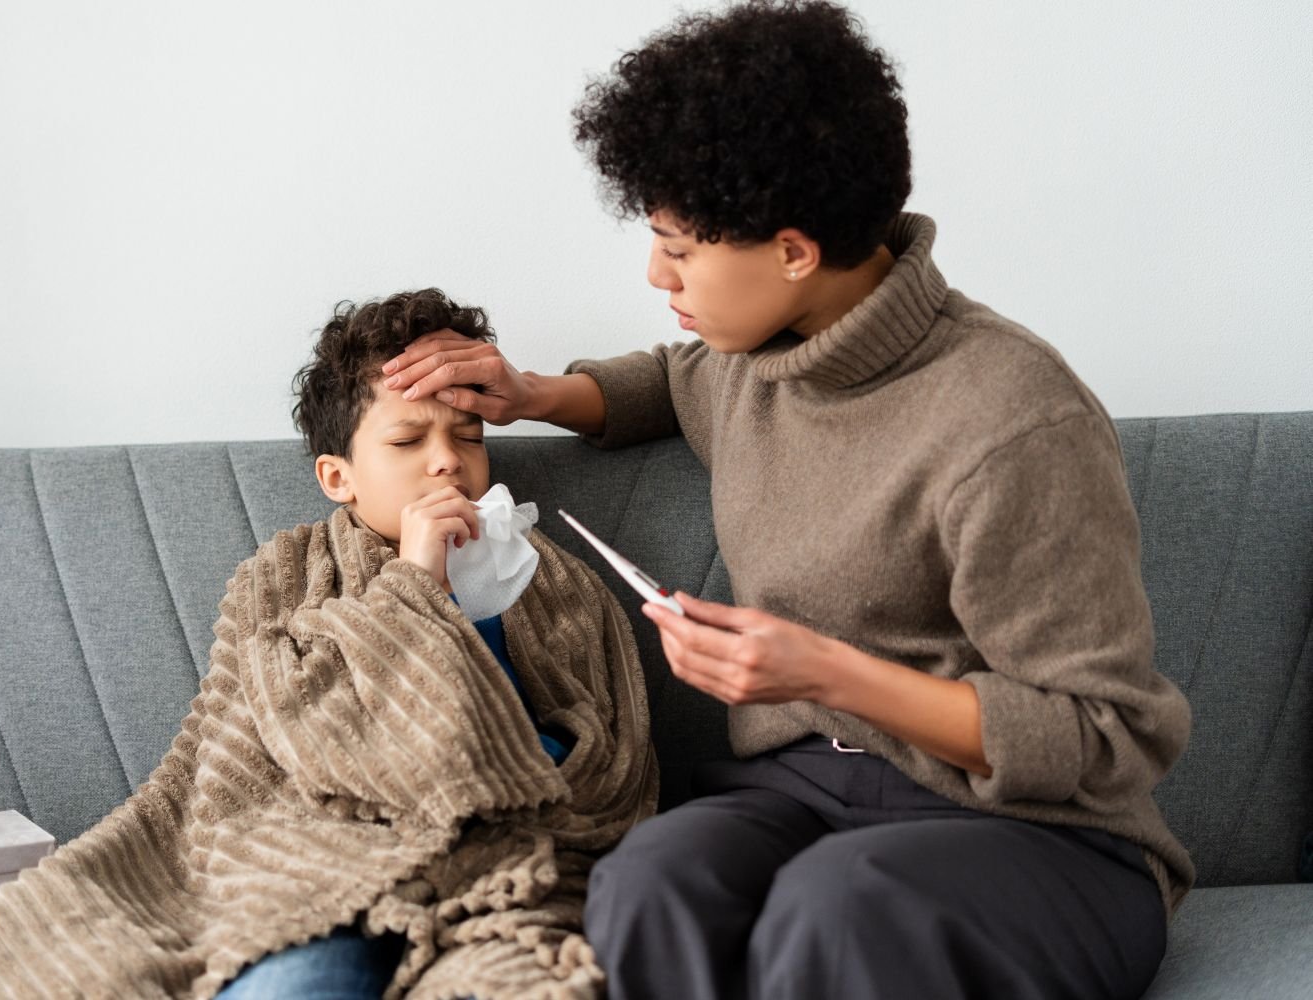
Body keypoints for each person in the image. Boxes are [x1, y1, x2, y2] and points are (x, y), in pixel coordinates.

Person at [381, 3, 1194, 999]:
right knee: (648, 881)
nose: (655, 272)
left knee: (838, 907)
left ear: (794, 253)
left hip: (1038, 834)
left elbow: (1105, 732)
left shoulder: (1015, 420)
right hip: (807, 792)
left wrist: (826, 671)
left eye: (680, 248)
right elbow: (674, 380)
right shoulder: (756, 362)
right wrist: (536, 395)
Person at [0, 289, 657, 1000]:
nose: (447, 459)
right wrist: (416, 587)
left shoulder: (551, 581)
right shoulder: (288, 575)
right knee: (296, 982)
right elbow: (277, 742)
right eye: (407, 439)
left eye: (468, 437)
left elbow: (605, 767)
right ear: (339, 477)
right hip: (318, 866)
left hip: (503, 873)